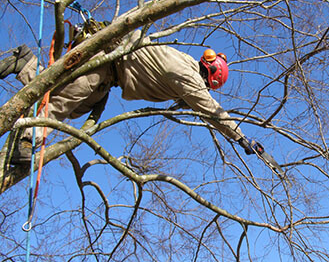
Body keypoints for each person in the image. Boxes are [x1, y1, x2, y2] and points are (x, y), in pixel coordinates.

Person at [0, 30, 260, 164]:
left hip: (111, 75)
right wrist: (240, 137)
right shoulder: (187, 77)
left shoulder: (185, 65)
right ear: (209, 78)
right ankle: (24, 141)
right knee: (60, 102)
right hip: (104, 61)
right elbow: (210, 109)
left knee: (74, 108)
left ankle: (25, 64)